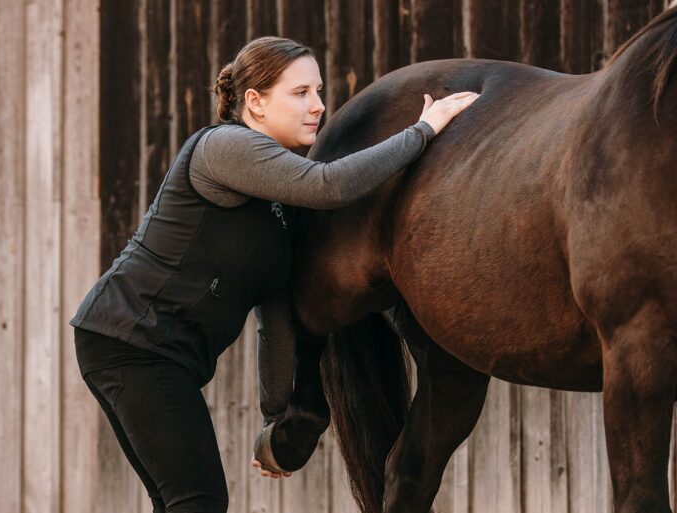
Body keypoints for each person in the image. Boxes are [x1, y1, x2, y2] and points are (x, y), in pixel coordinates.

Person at [71, 36, 478, 513]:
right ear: (255, 102)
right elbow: (331, 184)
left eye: (318, 91)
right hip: (130, 340)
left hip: (157, 351)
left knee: (179, 500)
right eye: (300, 92)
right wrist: (423, 130)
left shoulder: (279, 206)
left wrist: (277, 418)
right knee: (198, 500)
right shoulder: (223, 147)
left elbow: (275, 315)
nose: (318, 106)